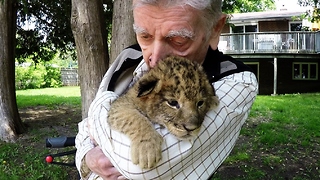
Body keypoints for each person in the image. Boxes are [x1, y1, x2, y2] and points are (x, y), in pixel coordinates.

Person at [75, 0, 259, 179]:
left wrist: (98, 108)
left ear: (215, 29)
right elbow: (83, 132)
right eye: (145, 36)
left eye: (179, 40)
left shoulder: (237, 81)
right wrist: (87, 158)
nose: (155, 60)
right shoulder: (128, 58)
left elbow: (141, 169)